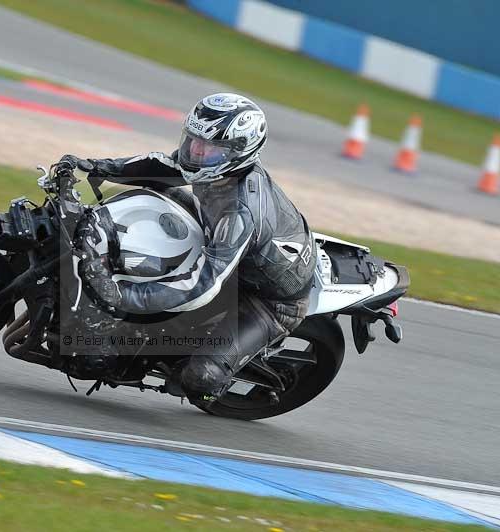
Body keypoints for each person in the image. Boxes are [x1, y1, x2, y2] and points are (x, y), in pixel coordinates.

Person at [59, 93, 315, 401]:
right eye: (193, 140)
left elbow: (203, 285)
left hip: (267, 299)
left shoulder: (241, 212)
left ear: (238, 152)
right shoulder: (213, 166)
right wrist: (95, 166)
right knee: (152, 198)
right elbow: (160, 166)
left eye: (208, 148)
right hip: (222, 243)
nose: (196, 152)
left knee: (200, 379)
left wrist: (125, 295)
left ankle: (204, 369)